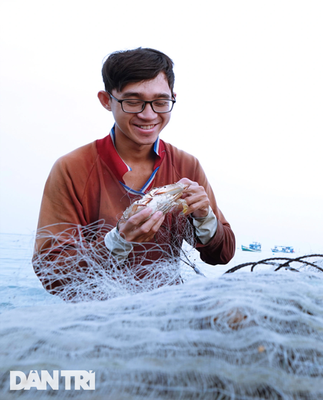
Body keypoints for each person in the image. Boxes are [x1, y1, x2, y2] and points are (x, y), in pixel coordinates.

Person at [33, 48, 236, 301]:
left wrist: (204, 218)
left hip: (167, 313)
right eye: (132, 102)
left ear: (173, 98)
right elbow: (50, 272)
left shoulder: (187, 165)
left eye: (160, 102)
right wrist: (118, 241)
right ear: (106, 100)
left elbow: (223, 254)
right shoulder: (72, 168)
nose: (148, 114)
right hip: (97, 319)